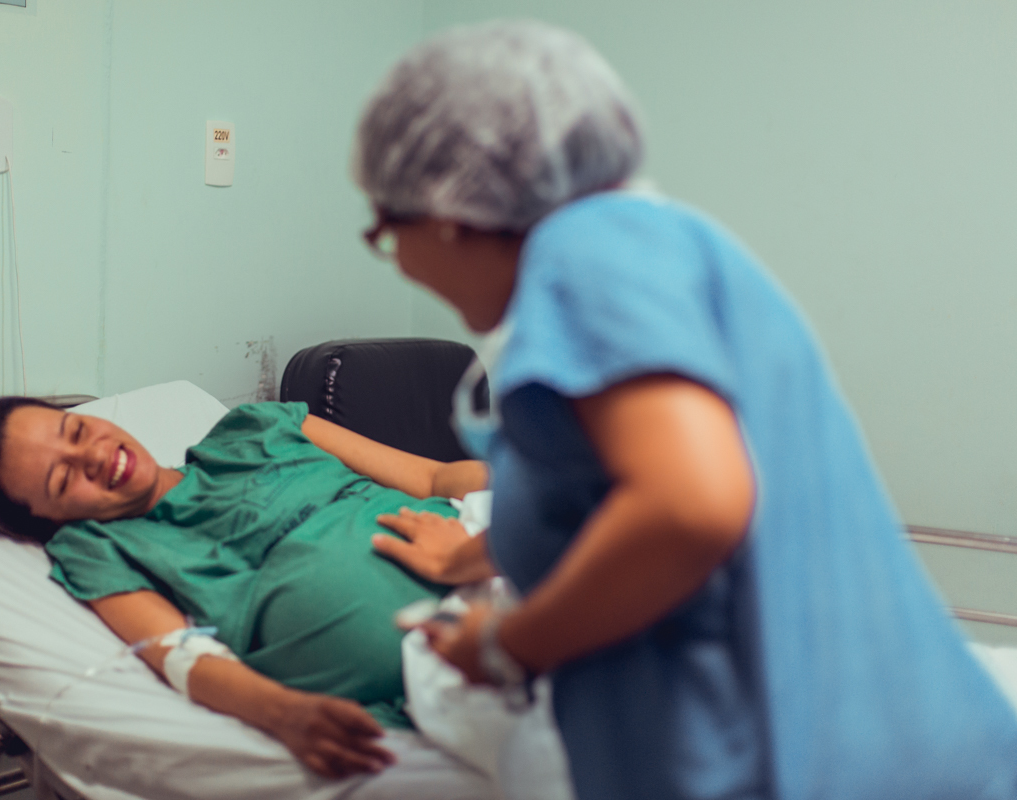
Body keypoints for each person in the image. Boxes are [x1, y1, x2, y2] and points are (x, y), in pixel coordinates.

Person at [352, 19, 1017, 800]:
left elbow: (691, 504)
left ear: (445, 210)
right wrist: (471, 555)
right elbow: (606, 489)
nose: (396, 263)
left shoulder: (584, 252)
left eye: (383, 233)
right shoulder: (653, 248)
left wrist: (506, 646)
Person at [0, 396, 487, 779]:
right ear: (52, 521)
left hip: (491, 556)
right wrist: (283, 713)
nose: (91, 456)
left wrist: (545, 491)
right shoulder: (97, 548)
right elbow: (181, 654)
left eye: (77, 430)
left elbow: (433, 479)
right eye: (64, 480)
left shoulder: (255, 427)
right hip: (431, 677)